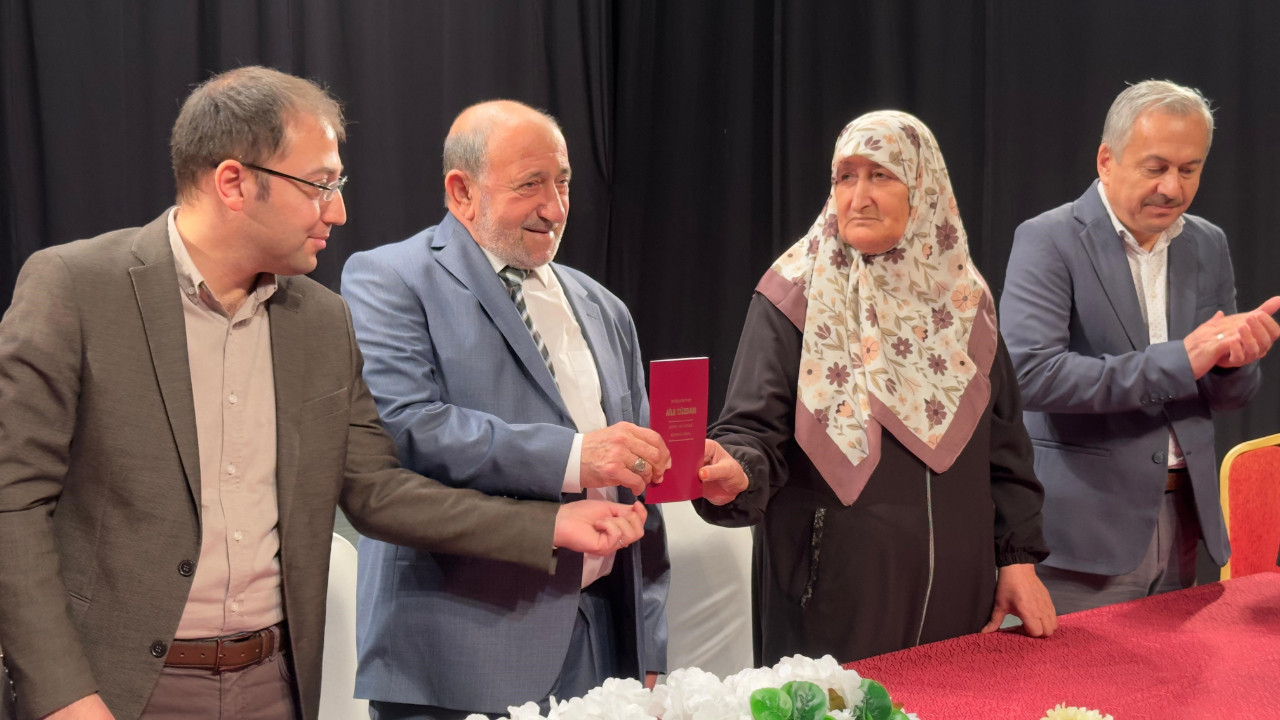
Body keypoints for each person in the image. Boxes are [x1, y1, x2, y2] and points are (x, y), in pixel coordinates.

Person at [0, 67, 649, 720]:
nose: (337, 210)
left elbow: (376, 490)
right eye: (319, 185)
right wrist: (63, 695)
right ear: (233, 183)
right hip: (113, 691)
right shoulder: (76, 288)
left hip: (272, 684)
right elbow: (12, 504)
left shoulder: (319, 319)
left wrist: (548, 525)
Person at [341, 100, 670, 719]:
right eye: (530, 185)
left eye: (563, 182)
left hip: (602, 645)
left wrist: (648, 641)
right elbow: (409, 426)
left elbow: (640, 487)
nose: (555, 207)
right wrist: (576, 457)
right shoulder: (390, 278)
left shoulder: (604, 307)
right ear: (462, 192)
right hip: (458, 656)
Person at [692, 110, 1057, 666]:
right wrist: (737, 470)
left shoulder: (965, 301)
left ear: (923, 189)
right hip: (831, 601)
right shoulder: (794, 295)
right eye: (845, 176)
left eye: (881, 175)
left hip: (961, 596)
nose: (858, 197)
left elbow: (1005, 448)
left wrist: (1017, 560)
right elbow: (752, 428)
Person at [1000, 80, 1280, 614]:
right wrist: (1181, 361)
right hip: (1081, 533)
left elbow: (1226, 396)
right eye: (1156, 168)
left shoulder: (1207, 243)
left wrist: (1234, 364)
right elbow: (1029, 375)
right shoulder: (1049, 238)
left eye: (1189, 169)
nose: (1172, 188)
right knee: (1074, 674)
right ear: (1106, 160)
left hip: (1184, 524)